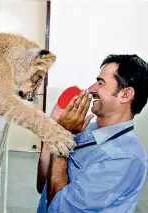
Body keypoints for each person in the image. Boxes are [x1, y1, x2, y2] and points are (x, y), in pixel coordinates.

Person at [36, 54, 148, 213]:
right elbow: (43, 186)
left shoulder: (125, 157)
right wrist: (54, 128)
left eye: (101, 83)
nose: (91, 89)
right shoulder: (86, 129)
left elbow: (60, 208)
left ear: (125, 94)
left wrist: (62, 138)